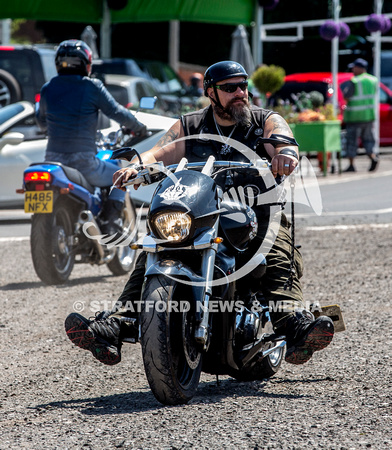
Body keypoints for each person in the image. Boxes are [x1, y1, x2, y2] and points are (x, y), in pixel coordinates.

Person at [65, 61, 334, 367]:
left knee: (274, 247)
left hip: (256, 213)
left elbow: (282, 140)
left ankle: (293, 325)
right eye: (229, 88)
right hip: (201, 213)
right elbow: (160, 151)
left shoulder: (264, 119)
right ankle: (118, 324)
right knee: (156, 243)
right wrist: (137, 166)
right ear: (210, 92)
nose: (239, 93)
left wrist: (285, 155)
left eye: (242, 86)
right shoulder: (190, 125)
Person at [36, 39, 147, 235]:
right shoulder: (91, 87)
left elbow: (41, 121)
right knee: (119, 174)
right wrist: (139, 128)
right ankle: (111, 224)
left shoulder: (47, 88)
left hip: (53, 162)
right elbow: (117, 112)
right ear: (86, 64)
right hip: (83, 163)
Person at [341, 58, 379, 172]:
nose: (353, 69)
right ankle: (373, 157)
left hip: (355, 117)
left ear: (359, 68)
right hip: (368, 116)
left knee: (351, 141)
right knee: (368, 139)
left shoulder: (355, 81)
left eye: (354, 67)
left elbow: (347, 96)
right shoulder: (373, 80)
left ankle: (351, 165)